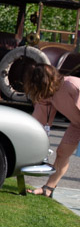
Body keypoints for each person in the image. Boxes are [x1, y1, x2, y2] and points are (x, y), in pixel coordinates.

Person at [24, 64, 80, 197]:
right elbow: (39, 120)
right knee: (62, 152)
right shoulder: (48, 94)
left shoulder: (71, 85)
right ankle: (48, 189)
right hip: (77, 124)